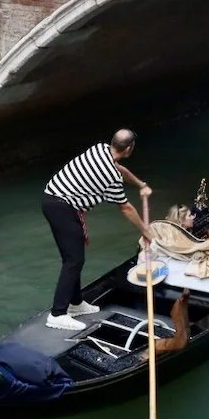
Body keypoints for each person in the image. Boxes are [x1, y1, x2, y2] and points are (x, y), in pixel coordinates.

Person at [42, 130, 154, 331]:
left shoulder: (99, 149)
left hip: (54, 200)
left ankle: (75, 304)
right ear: (129, 148)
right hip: (62, 207)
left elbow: (120, 169)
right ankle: (57, 313)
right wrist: (145, 230)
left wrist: (140, 184)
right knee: (73, 260)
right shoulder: (110, 177)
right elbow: (126, 207)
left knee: (74, 257)